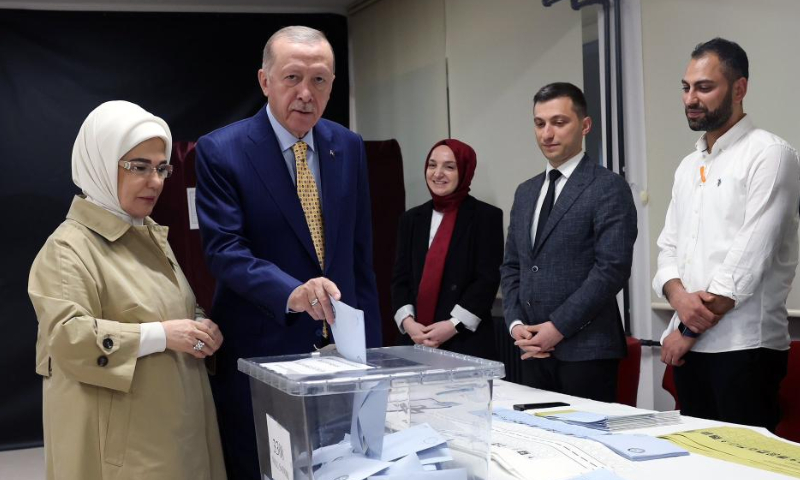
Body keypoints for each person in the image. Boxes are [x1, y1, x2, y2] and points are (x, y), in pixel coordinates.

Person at [195, 26, 381, 479]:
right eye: (292, 77)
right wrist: (292, 292)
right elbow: (225, 250)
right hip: (262, 358)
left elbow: (359, 257)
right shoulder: (221, 150)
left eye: (319, 80)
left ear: (333, 86)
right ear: (264, 81)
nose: (305, 93)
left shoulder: (348, 146)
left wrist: (372, 354)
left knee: (339, 468)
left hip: (340, 359)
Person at [28, 101, 226, 480]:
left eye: (162, 168)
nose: (155, 181)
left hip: (173, 426)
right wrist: (164, 335)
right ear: (100, 162)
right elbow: (70, 339)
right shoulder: (68, 249)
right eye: (139, 166)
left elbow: (170, 304)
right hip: (125, 448)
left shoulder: (146, 231)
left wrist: (199, 325)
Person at [654, 38, 800, 431]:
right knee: (698, 464)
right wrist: (678, 297)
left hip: (745, 348)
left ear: (739, 89)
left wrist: (686, 328)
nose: (691, 98)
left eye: (704, 87)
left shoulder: (771, 154)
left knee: (745, 469)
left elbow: (747, 262)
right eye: (686, 88)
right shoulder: (688, 165)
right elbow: (668, 247)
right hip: (689, 348)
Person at [500, 82, 637, 402]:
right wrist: (515, 322)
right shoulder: (526, 192)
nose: (547, 133)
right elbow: (512, 265)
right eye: (540, 123)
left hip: (587, 351)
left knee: (585, 446)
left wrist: (556, 328)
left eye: (559, 122)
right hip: (531, 348)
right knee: (537, 445)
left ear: (585, 125)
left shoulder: (607, 187)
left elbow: (611, 269)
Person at [391, 139, 503, 359]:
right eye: (432, 165)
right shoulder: (411, 219)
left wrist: (452, 325)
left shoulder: (486, 217)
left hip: (465, 341)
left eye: (449, 167)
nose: (437, 173)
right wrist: (408, 323)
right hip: (414, 341)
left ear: (465, 171)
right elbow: (400, 279)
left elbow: (486, 280)